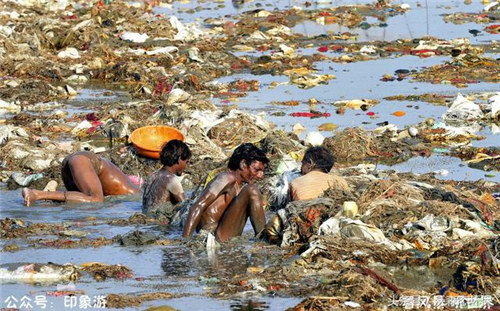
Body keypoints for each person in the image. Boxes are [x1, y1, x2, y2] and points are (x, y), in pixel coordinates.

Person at [182, 143, 269, 242]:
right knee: (251, 190)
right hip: (212, 234)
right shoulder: (227, 178)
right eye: (257, 170)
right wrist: (185, 242)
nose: (261, 176)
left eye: (262, 171)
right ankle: (264, 240)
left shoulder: (238, 188)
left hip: (222, 233)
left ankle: (262, 238)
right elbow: (198, 205)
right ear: (243, 164)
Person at [22, 151, 140, 206]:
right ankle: (37, 194)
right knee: (96, 199)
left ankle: (42, 195)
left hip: (78, 161)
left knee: (76, 199)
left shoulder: (131, 187)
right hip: (81, 161)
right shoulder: (136, 195)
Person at [142, 140, 191, 216]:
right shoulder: (171, 180)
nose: (186, 166)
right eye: (186, 162)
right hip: (161, 225)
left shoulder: (152, 176)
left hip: (147, 222)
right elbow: (186, 208)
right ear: (179, 160)